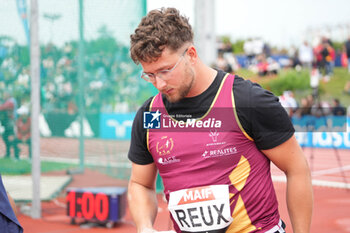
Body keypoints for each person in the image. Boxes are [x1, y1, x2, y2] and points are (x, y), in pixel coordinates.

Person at [128, 8, 313, 233]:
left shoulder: (247, 100)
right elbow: (140, 184)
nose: (159, 84)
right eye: (150, 75)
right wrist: (145, 227)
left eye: (165, 71)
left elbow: (296, 168)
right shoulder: (150, 116)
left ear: (192, 55)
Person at [0, 91, 19, 159]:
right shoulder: (8, 101)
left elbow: (4, 107)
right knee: (6, 136)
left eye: (4, 94)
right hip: (8, 122)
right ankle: (10, 152)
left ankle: (15, 151)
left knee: (10, 137)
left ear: (8, 95)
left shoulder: (11, 101)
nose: (3, 96)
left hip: (10, 121)